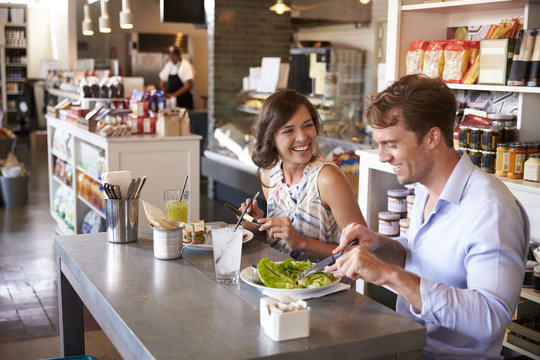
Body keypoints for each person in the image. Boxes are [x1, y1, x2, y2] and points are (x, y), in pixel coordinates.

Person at [326, 74, 529, 358]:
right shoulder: (424, 188)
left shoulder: (490, 209)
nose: (383, 156)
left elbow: (491, 317)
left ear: (432, 137)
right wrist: (379, 245)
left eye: (392, 144)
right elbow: (420, 256)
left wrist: (387, 274)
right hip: (409, 346)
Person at [240, 89, 366, 261]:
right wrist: (257, 228)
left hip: (328, 286)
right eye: (288, 130)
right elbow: (280, 246)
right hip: (283, 284)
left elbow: (361, 251)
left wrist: (301, 242)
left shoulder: (327, 178)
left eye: (308, 125)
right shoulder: (270, 176)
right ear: (271, 138)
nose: (302, 137)